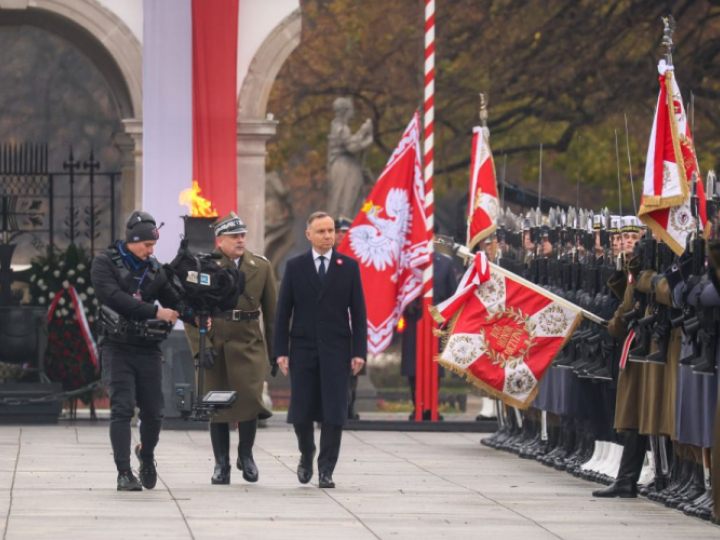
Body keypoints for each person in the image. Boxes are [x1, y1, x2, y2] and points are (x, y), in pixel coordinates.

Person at [91, 211, 197, 491]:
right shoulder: (104, 263)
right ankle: (124, 472)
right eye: (146, 245)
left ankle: (146, 455)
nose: (151, 251)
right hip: (117, 347)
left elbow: (175, 301)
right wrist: (155, 311)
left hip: (148, 348)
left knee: (154, 412)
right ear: (131, 240)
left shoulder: (154, 268)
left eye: (153, 246)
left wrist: (196, 315)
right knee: (122, 409)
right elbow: (114, 298)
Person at [273, 211, 367, 488]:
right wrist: (281, 351)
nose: (328, 236)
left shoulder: (348, 266)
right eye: (322, 231)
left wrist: (359, 351)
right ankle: (306, 454)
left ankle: (326, 469)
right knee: (301, 412)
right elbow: (283, 313)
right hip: (303, 349)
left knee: (334, 413)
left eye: (331, 231)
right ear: (309, 235)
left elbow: (359, 313)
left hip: (338, 350)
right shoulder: (295, 266)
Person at [185, 212, 277, 485]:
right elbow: (190, 311)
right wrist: (200, 348)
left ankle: (246, 455)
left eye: (242, 235)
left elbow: (272, 316)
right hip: (215, 342)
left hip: (249, 342)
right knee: (217, 403)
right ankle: (221, 464)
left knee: (249, 399)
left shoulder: (260, 266)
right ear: (220, 239)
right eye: (234, 236)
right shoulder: (202, 266)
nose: (240, 240)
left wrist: (276, 354)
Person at [401, 242, 458, 420]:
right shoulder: (407, 262)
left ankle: (432, 407)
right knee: (413, 365)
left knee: (434, 367)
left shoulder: (445, 263)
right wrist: (406, 305)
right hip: (414, 321)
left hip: (437, 322)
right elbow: (397, 290)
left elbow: (452, 295)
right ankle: (417, 406)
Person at [334, 216, 361, 420]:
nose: (341, 236)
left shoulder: (359, 258)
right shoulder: (327, 257)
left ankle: (350, 405)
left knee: (354, 365)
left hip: (355, 318)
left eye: (346, 232)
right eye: (339, 232)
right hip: (335, 319)